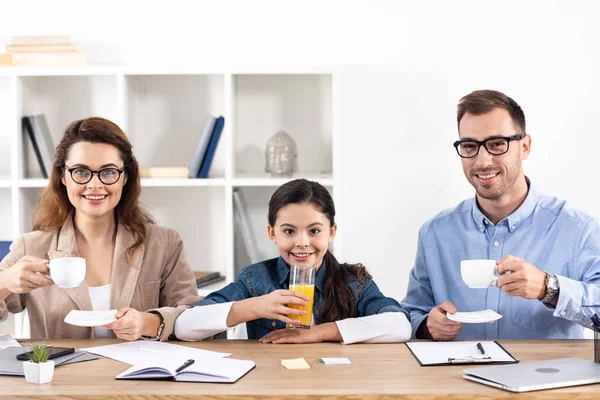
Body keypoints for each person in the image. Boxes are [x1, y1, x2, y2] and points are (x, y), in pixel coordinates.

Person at [402, 90, 600, 340]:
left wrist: (548, 288)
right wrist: (426, 326)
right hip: (453, 378)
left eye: (497, 144)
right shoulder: (435, 233)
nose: (483, 161)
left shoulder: (578, 229)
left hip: (543, 376)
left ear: (525, 146)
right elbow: (411, 312)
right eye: (469, 146)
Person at [0, 117, 200, 340]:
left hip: (140, 373)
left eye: (108, 172)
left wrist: (149, 322)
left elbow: (195, 319)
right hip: (62, 374)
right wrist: (4, 282)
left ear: (125, 177)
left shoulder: (164, 243)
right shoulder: (32, 246)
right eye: (81, 172)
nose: (95, 185)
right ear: (63, 176)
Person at [175, 179, 411, 344]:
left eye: (314, 231)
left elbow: (400, 326)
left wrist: (318, 333)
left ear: (331, 232)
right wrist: (256, 306)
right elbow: (184, 326)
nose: (302, 242)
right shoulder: (256, 280)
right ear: (272, 233)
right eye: (289, 231)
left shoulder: (353, 283)